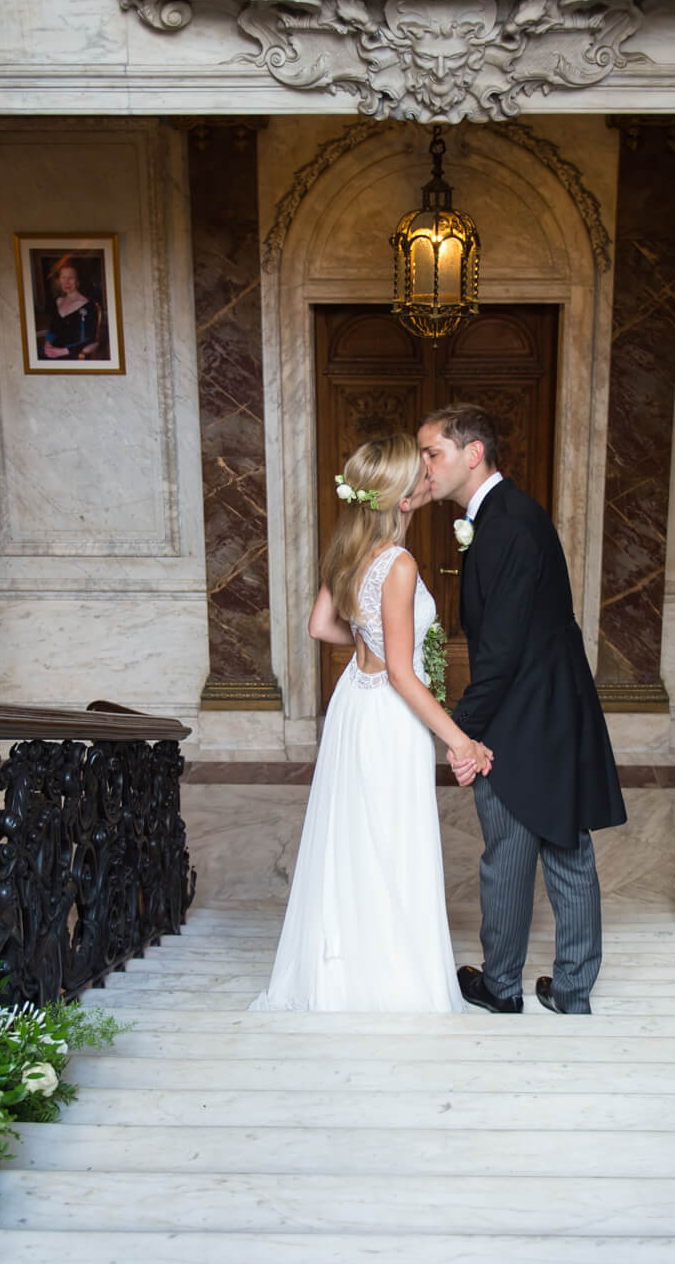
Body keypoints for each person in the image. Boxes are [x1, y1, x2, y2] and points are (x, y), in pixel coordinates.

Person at [249, 434, 489, 1013]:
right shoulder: (399, 563)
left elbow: (319, 626)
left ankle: (345, 973)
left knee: (356, 835)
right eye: (420, 475)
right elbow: (405, 677)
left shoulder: (349, 548)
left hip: (352, 699)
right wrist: (461, 740)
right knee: (389, 836)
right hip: (385, 710)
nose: (428, 479)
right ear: (402, 499)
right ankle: (391, 980)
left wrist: (369, 640)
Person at [417, 404, 626, 1016]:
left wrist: (461, 734)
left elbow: (501, 651)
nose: (426, 467)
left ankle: (502, 985)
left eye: (434, 454)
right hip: (555, 707)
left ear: (473, 453)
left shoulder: (504, 524)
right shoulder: (513, 515)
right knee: (565, 845)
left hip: (523, 712)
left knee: (509, 849)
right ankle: (571, 990)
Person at [39, 258, 104, 361]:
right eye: (63, 277)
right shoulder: (58, 301)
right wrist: (47, 344)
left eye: (71, 278)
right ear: (59, 280)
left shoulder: (89, 306)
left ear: (78, 281)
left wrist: (62, 351)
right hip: (53, 351)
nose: (67, 282)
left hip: (73, 354)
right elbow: (53, 329)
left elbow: (90, 339)